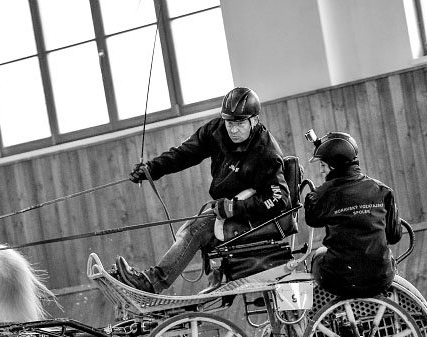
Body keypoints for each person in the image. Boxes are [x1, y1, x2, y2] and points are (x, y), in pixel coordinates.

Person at [114, 87, 290, 294]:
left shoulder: (266, 153)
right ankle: (160, 280)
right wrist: (152, 169)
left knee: (199, 227)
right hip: (227, 208)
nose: (233, 130)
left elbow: (280, 200)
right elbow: (184, 154)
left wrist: (236, 208)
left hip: (254, 218)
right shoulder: (216, 131)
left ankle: (151, 283)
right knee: (192, 227)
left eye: (240, 123)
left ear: (254, 120)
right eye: (229, 122)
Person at [303, 130, 401, 297]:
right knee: (385, 257)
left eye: (323, 165)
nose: (321, 171)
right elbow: (394, 236)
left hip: (340, 281)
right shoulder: (383, 191)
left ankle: (305, 316)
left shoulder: (322, 194)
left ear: (334, 165)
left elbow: (313, 220)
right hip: (381, 279)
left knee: (317, 255)